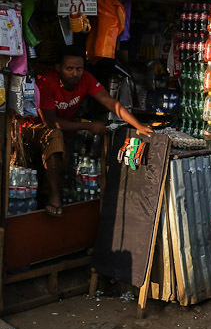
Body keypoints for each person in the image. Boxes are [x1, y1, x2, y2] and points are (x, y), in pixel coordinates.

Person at [25, 48, 153, 216]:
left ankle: (57, 196)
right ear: (58, 68)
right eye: (69, 69)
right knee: (55, 137)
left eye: (79, 69)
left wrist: (138, 125)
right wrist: (88, 126)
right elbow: (51, 123)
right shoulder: (46, 82)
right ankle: (54, 197)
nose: (75, 73)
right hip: (35, 129)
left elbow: (110, 101)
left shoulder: (86, 79)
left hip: (66, 129)